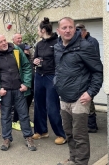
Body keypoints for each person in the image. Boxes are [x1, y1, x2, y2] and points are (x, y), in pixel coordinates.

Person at [54, 17, 103, 165]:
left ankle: (81, 162)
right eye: (64, 28)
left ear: (75, 29)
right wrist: (56, 83)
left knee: (79, 135)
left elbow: (98, 71)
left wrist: (90, 92)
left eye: (70, 27)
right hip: (63, 97)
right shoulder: (57, 47)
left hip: (79, 98)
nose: (67, 30)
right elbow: (58, 68)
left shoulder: (85, 46)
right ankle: (73, 159)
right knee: (68, 133)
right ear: (59, 30)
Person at [0, 34, 36, 151]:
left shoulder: (16, 50)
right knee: (5, 116)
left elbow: (26, 67)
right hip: (4, 92)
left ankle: (28, 137)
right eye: (0, 42)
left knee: (24, 115)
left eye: (4, 40)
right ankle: (7, 138)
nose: (4, 43)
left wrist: (26, 84)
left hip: (19, 89)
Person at [32, 17, 66, 145]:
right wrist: (34, 62)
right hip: (39, 76)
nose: (37, 32)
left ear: (43, 30)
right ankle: (41, 131)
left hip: (51, 77)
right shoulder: (39, 44)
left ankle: (61, 134)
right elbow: (35, 58)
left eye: (38, 30)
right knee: (38, 105)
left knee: (52, 107)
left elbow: (61, 61)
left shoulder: (57, 42)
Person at [75, 23, 100, 133]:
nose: (78, 34)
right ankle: (89, 124)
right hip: (81, 75)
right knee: (83, 99)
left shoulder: (92, 41)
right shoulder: (79, 41)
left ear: (84, 31)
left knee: (89, 99)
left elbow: (93, 60)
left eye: (79, 31)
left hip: (89, 75)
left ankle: (91, 125)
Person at [12, 33, 34, 131]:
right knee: (20, 104)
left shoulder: (29, 57)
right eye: (26, 49)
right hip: (21, 85)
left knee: (27, 103)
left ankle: (24, 120)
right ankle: (15, 121)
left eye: (28, 49)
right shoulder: (18, 57)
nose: (28, 50)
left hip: (30, 85)